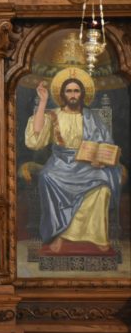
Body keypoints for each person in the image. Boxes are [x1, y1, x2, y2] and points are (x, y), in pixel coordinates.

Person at [25, 67, 122, 253]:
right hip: (60, 163)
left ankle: (97, 237)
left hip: (88, 165)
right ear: (62, 94)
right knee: (47, 177)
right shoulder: (54, 115)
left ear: (82, 94)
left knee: (102, 187)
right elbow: (35, 138)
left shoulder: (92, 117)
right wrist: (43, 102)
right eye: (69, 91)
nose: (73, 94)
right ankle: (58, 235)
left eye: (76, 91)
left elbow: (106, 144)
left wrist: (101, 160)